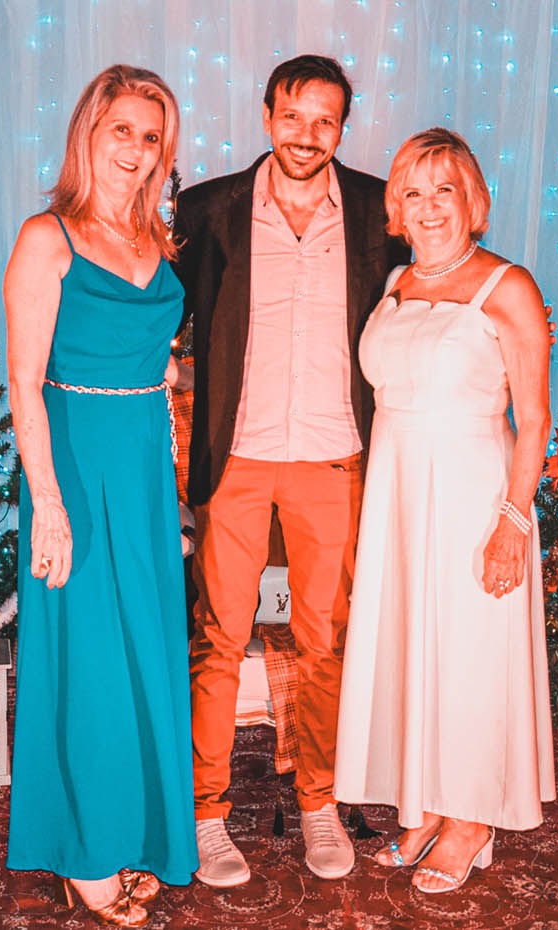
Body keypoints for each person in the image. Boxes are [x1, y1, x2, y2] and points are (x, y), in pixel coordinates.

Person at [172, 55, 411, 887]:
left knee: (323, 643)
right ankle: (205, 814)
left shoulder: (381, 209)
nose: (307, 135)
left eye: (325, 120)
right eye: (293, 115)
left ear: (343, 126)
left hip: (335, 455)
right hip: (235, 454)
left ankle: (318, 802)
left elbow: (430, 288)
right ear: (267, 113)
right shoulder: (209, 210)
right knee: (218, 638)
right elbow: (161, 308)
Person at [333, 127, 557, 893]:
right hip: (397, 493)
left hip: (473, 493)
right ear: (397, 207)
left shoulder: (507, 286)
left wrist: (513, 523)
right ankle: (426, 804)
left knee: (470, 656)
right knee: (412, 649)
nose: (429, 207)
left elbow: (535, 417)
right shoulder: (396, 282)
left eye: (445, 191)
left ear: (474, 202)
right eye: (414, 193)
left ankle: (471, 819)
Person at [2, 64, 196, 928]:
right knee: (86, 661)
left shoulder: (157, 239)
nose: (136, 149)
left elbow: (156, 364)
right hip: (74, 467)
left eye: (151, 137)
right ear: (89, 131)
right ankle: (83, 853)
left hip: (144, 472)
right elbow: (23, 384)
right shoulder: (47, 238)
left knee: (145, 653)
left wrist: (175, 463)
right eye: (122, 129)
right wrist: (48, 502)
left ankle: (136, 831)